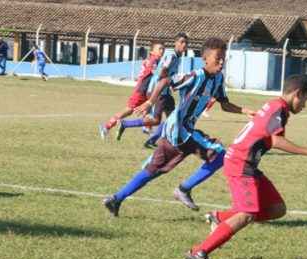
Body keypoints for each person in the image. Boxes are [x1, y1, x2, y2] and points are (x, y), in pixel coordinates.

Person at [184, 75, 307, 259]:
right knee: (246, 214)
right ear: (297, 94)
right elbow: (276, 141)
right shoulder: (279, 109)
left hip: (248, 164)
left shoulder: (276, 107)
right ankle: (198, 252)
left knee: (277, 208)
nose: (304, 105)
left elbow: (268, 138)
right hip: (241, 163)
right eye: (305, 100)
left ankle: (219, 218)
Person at [101, 37, 256, 217]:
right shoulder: (195, 76)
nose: (221, 62)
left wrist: (246, 111)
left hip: (179, 133)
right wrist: (150, 101)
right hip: (180, 129)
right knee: (220, 154)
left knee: (153, 170)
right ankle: (183, 189)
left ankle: (115, 199)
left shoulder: (218, 79)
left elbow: (225, 104)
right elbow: (166, 81)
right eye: (217, 58)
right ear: (205, 59)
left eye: (224, 58)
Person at [128, 33, 190, 148]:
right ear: (175, 43)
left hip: (164, 91)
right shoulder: (171, 56)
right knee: (159, 120)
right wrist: (171, 81)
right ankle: (126, 124)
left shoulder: (177, 57)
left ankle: (166, 140)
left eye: (186, 43)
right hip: (159, 91)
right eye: (181, 42)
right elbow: (163, 72)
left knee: (173, 118)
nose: (184, 45)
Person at [98, 41, 165, 139]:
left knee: (150, 107)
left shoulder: (155, 60)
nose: (162, 51)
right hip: (141, 90)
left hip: (146, 91)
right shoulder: (153, 60)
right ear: (152, 51)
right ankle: (106, 127)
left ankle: (147, 128)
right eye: (159, 49)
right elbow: (157, 73)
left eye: (163, 49)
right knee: (129, 110)